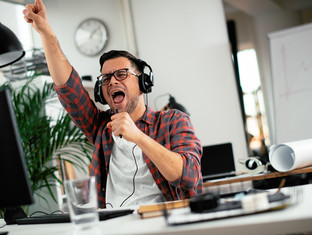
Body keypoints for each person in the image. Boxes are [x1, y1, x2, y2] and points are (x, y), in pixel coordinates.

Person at [23, 0, 202, 209]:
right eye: (106, 78)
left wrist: (137, 136)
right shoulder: (101, 128)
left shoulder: (173, 120)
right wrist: (46, 33)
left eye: (122, 74)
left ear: (143, 83)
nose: (113, 81)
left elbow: (188, 176)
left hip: (163, 223)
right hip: (113, 227)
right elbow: (68, 88)